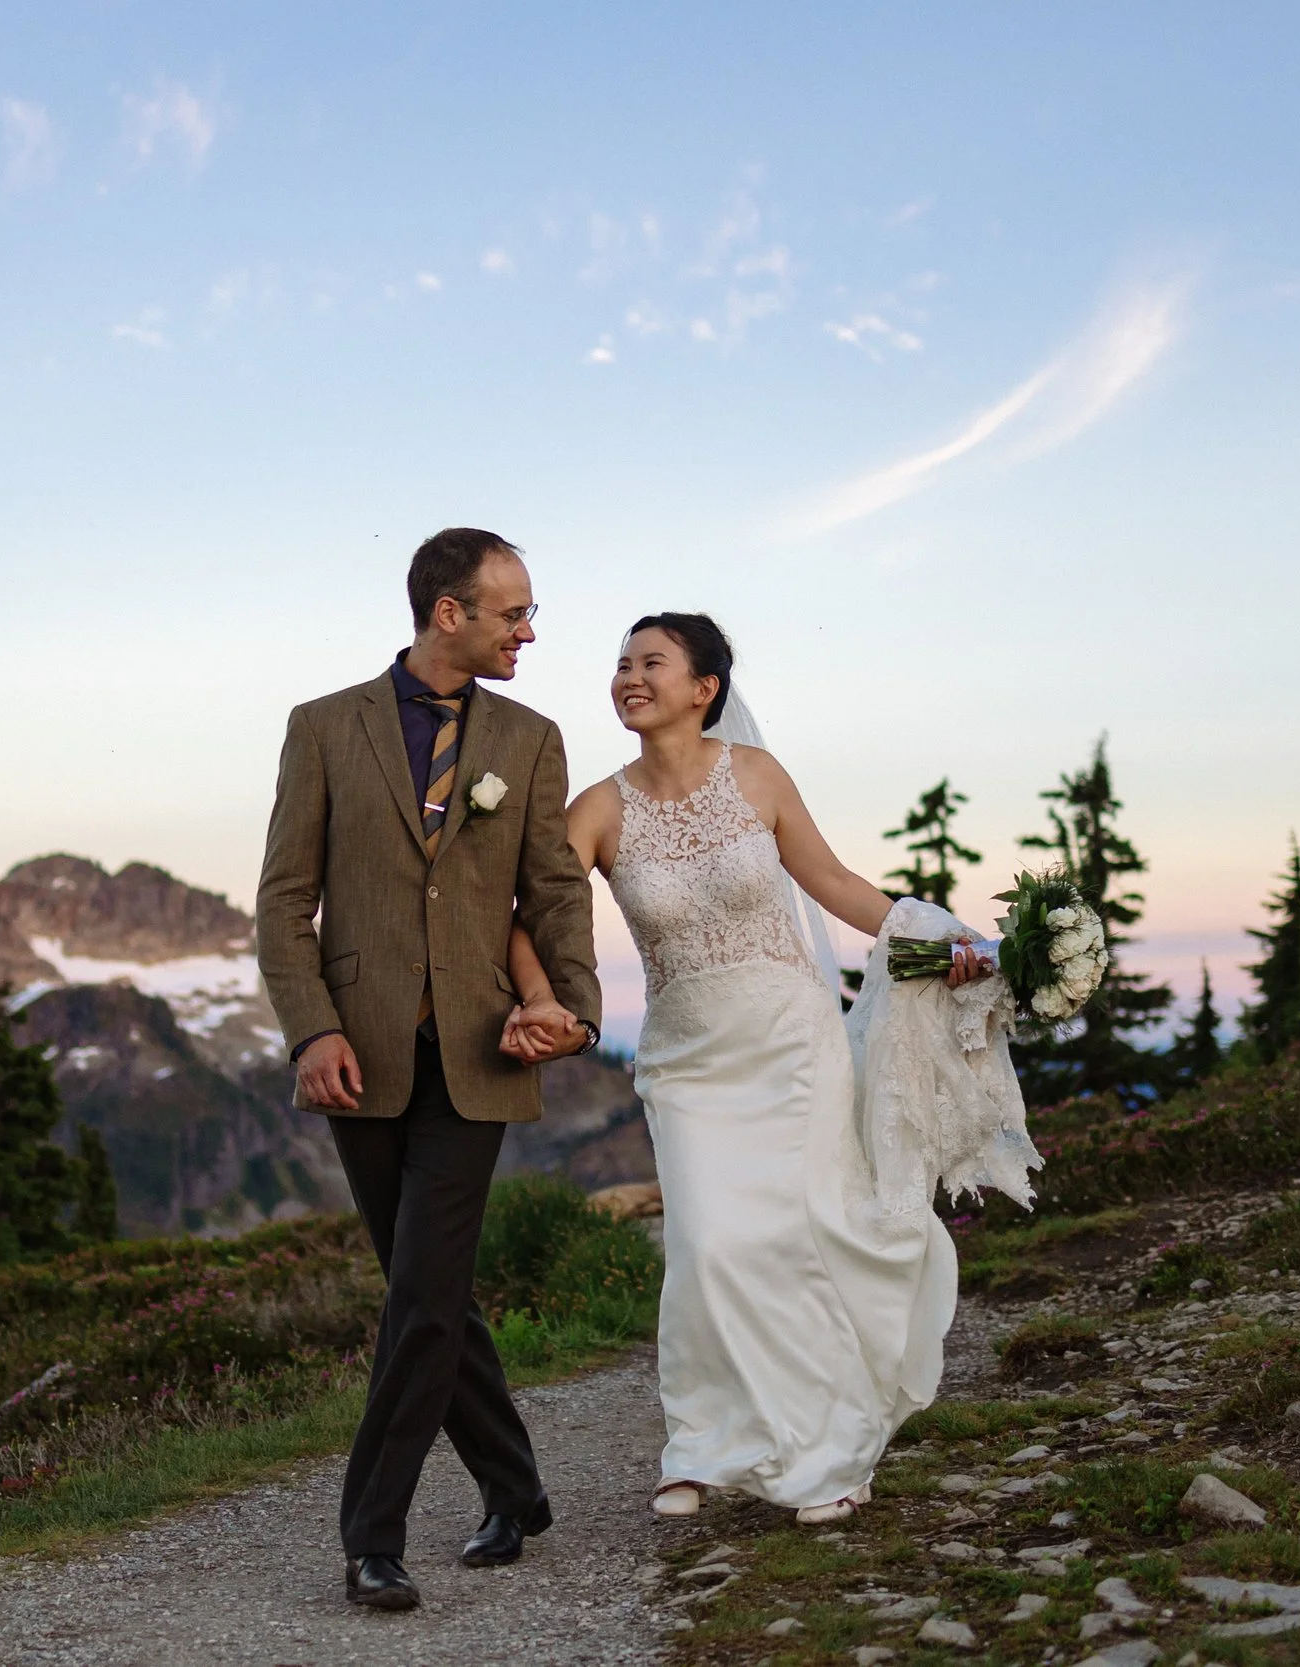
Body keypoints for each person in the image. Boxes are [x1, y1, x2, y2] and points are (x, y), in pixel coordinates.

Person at [505, 612, 988, 1525]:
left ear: (705, 688)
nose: (629, 677)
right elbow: (531, 914)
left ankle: (833, 1451)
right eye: (621, 663)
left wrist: (944, 934)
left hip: (790, 1044)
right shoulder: (598, 808)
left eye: (652, 662)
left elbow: (837, 885)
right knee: (708, 1247)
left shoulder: (756, 777)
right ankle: (706, 1443)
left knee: (801, 1237)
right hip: (686, 1061)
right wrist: (539, 998)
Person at [255, 528, 602, 1610]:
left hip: (477, 1052)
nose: (529, 631)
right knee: (429, 1291)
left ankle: (373, 1533)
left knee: (419, 1292)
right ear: (448, 612)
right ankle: (514, 1485)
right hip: (357, 1054)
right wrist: (313, 1030)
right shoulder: (323, 727)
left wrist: (575, 1008)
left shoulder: (531, 739)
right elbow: (281, 900)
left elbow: (551, 888)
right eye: (514, 612)